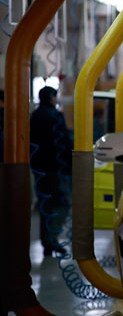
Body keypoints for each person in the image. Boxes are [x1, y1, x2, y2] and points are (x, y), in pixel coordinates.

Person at [30, 86, 72, 256]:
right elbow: (64, 142)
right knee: (61, 204)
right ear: (51, 97)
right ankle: (52, 239)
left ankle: (47, 242)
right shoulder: (55, 116)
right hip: (55, 168)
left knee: (44, 205)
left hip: (39, 169)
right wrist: (70, 164)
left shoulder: (33, 116)